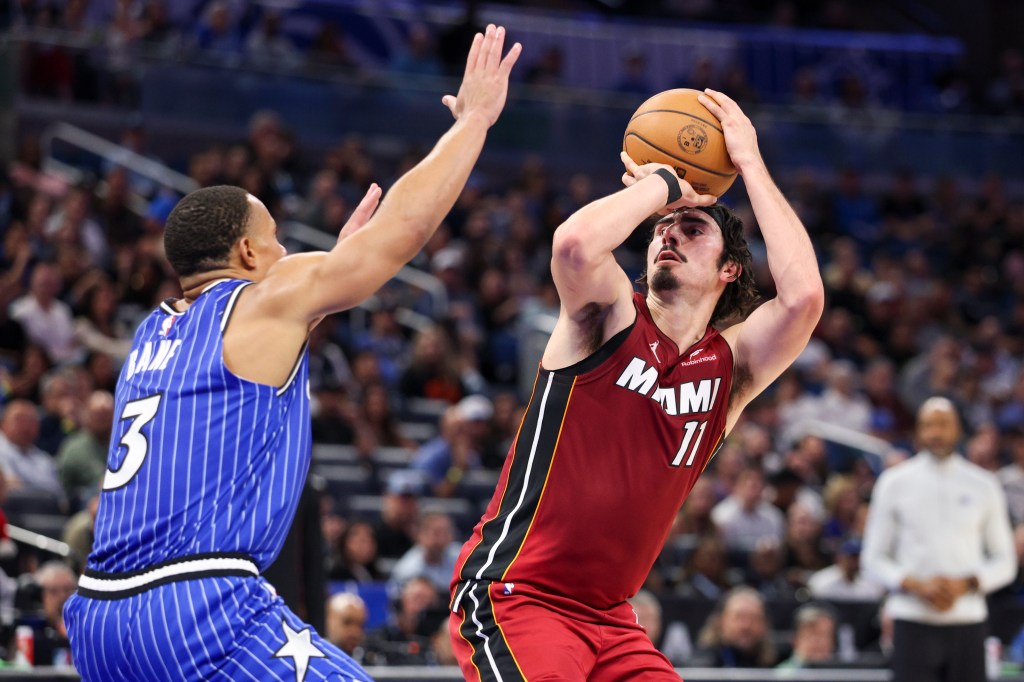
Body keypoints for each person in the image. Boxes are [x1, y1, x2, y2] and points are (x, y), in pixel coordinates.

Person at [62, 24, 521, 682]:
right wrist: (474, 121)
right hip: (195, 606)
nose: (286, 253)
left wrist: (326, 282)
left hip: (99, 617)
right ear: (248, 252)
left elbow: (248, 364)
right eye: (276, 239)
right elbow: (403, 230)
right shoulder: (260, 297)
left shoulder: (153, 333)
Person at [449, 89, 823, 679]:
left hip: (612, 619)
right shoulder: (609, 315)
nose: (669, 235)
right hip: (518, 594)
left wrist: (749, 161)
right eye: (661, 230)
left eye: (692, 228)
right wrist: (668, 185)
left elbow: (803, 298)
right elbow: (574, 244)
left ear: (729, 269)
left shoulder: (730, 367)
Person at [862, 397, 1017, 682]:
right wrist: (916, 585)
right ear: (917, 432)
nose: (936, 433)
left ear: (958, 429)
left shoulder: (984, 484)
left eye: (943, 424)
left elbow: (1005, 562)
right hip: (911, 618)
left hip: (968, 618)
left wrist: (966, 584)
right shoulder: (893, 483)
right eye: (928, 425)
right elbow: (872, 559)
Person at [775, 603, 837, 669]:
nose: (819, 642)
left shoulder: (840, 672)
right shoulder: (782, 674)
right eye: (813, 635)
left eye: (825, 635)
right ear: (795, 639)